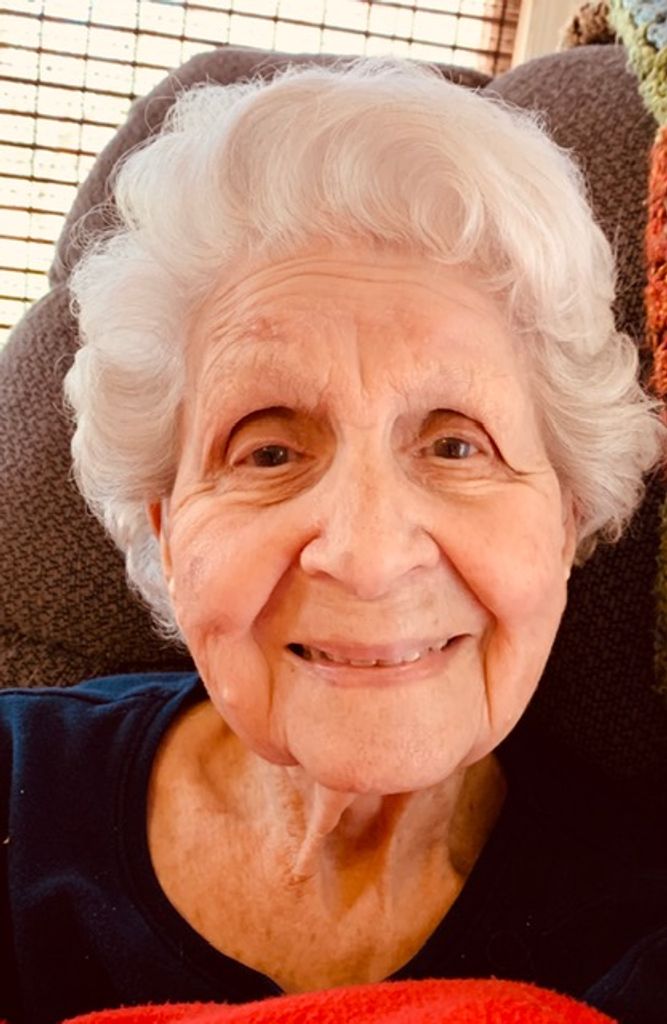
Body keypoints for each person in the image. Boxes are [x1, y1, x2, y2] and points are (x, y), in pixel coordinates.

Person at [1, 58, 665, 1024]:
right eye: (268, 452)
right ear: (167, 529)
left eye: (455, 445)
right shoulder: (13, 785)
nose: (366, 556)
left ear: (565, 515)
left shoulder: (637, 932)